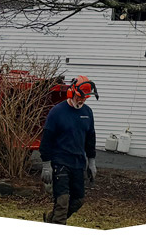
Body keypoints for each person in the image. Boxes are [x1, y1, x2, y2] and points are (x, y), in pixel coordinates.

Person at [40, 75, 99, 225]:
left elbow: (90, 139)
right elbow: (46, 140)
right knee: (62, 201)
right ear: (72, 92)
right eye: (79, 97)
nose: (81, 100)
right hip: (60, 162)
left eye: (84, 98)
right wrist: (46, 165)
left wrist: (91, 162)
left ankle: (51, 220)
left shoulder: (88, 113)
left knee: (78, 201)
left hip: (78, 163)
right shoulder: (57, 112)